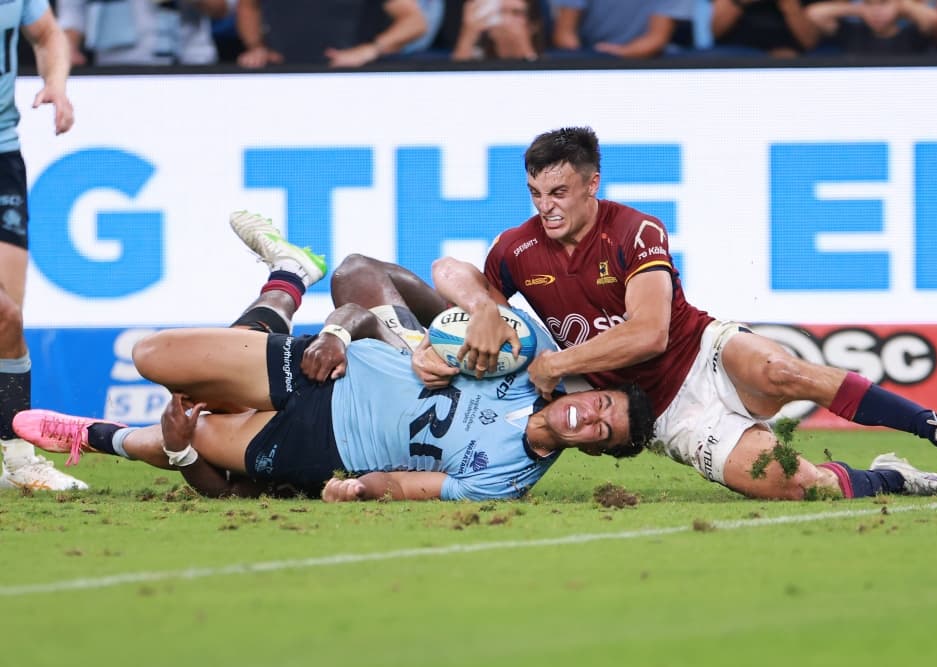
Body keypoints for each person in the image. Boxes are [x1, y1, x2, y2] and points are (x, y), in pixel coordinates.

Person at [413, 126, 937, 502]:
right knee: (791, 484)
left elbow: (649, 333)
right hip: (660, 415)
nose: (546, 207)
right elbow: (446, 270)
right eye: (536, 193)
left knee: (781, 373)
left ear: (593, 183)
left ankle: (936, 426)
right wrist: (485, 308)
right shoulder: (518, 248)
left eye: (559, 192)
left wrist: (554, 364)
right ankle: (896, 476)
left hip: (700, 354)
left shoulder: (635, 230)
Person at [14, 212, 655, 501]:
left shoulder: (507, 480)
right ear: (586, 390)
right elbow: (373, 296)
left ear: (598, 450)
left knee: (197, 441)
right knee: (152, 356)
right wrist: (348, 334)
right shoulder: (522, 367)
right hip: (332, 367)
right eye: (601, 404)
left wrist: (360, 488)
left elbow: (415, 486)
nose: (592, 419)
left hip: (326, 447)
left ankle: (100, 438)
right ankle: (293, 278)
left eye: (605, 430)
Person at [0, 1, 88, 491]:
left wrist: (56, 84)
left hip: (3, 154)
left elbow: (49, 34)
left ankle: (18, 463)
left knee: (7, 318)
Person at [235, 0, 429, 68]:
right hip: (280, 77)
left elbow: (414, 22)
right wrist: (256, 46)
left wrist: (371, 49)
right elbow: (248, 7)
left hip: (347, 79)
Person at [57, 0, 232, 66]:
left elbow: (223, 9)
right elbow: (72, 13)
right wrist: (69, 48)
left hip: (191, 64)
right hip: (118, 68)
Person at [550, 0, 696, 57]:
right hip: (589, 60)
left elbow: (657, 38)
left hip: (648, 64)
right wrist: (586, 61)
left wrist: (618, 54)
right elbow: (565, 34)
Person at [806, 0, 937, 54]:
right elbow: (814, 14)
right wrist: (858, 10)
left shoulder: (912, 34)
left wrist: (902, 6)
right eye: (869, 3)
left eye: (883, 3)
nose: (876, 11)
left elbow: (934, 19)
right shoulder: (852, 32)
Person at [710, 0, 822, 57]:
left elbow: (809, 41)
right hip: (736, 53)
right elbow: (715, 32)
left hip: (789, 54)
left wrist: (788, 4)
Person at [452, 0, 546, 61]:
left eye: (516, 13)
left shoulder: (546, 61)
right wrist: (469, 32)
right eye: (500, 12)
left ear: (532, 25)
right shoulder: (477, 54)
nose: (506, 19)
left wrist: (524, 48)